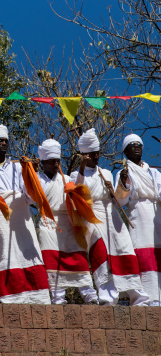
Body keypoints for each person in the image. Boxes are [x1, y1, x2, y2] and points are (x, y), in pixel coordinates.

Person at [69, 128, 149, 306]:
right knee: (101, 254)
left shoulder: (105, 172)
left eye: (97, 153)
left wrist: (120, 183)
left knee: (124, 251)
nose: (96, 157)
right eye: (92, 154)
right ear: (85, 155)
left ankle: (138, 297)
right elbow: (78, 193)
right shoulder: (76, 175)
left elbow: (119, 196)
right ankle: (107, 298)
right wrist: (82, 167)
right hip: (93, 216)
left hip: (112, 215)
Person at [0, 124, 51, 304]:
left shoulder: (19, 166)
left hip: (21, 212)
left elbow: (29, 197)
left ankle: (37, 296)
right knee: (4, 250)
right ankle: (11, 295)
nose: (3, 143)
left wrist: (32, 174)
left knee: (28, 249)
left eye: (5, 140)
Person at [36, 138, 98, 304]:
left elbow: (80, 187)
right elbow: (30, 197)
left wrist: (82, 167)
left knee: (78, 257)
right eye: (51, 162)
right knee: (52, 259)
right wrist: (30, 173)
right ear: (43, 162)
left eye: (57, 161)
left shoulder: (66, 178)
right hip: (48, 222)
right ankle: (57, 296)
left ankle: (89, 294)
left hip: (68, 220)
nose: (55, 164)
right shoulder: (37, 179)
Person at [115, 134, 161, 305]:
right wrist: (124, 183)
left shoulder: (154, 172)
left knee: (157, 257)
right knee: (142, 257)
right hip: (138, 216)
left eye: (139, 144)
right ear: (126, 151)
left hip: (156, 215)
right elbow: (120, 200)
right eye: (132, 145)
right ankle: (144, 299)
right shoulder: (122, 172)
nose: (136, 147)